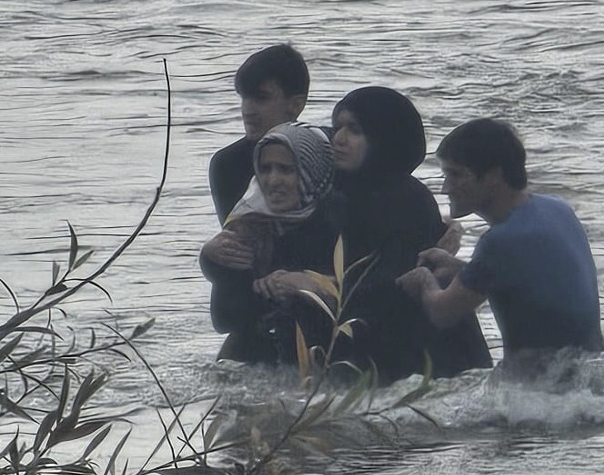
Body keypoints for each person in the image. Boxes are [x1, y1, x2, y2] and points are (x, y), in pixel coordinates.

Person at [396, 118, 604, 366]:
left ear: (494, 176)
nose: (445, 188)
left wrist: (423, 279)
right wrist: (459, 268)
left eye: (456, 174)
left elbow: (443, 313)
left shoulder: (499, 241)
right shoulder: (557, 208)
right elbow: (524, 282)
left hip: (544, 382)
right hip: (590, 366)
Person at [326, 87, 493, 384]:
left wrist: (319, 288)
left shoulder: (407, 199)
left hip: (417, 355)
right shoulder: (332, 189)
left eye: (354, 130)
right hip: (359, 338)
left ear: (382, 137)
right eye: (337, 127)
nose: (338, 138)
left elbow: (395, 282)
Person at [200, 122, 339, 365]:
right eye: (265, 169)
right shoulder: (250, 223)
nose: (273, 180)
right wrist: (213, 261)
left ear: (312, 170)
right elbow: (224, 318)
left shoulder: (342, 218)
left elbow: (367, 301)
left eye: (286, 170)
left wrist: (309, 287)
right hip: (259, 354)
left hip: (332, 352)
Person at [208, 44, 310, 229]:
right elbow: (237, 236)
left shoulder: (324, 155)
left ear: (296, 105)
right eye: (244, 98)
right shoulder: (228, 164)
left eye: (261, 98)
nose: (247, 110)